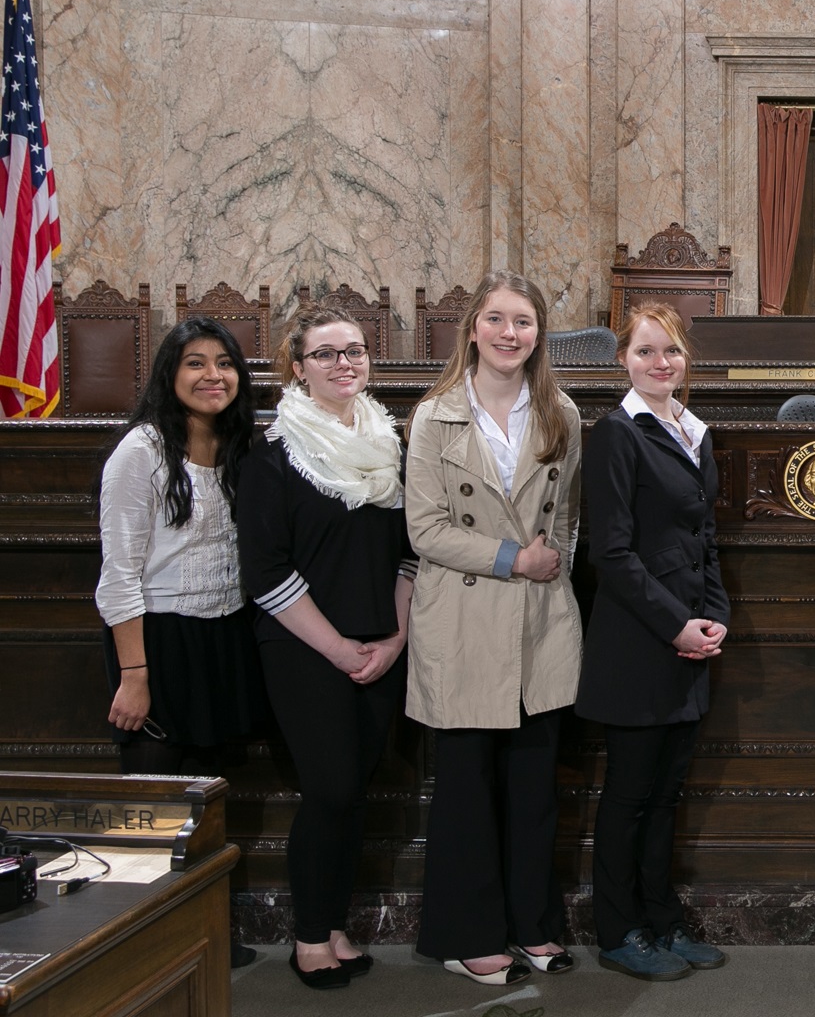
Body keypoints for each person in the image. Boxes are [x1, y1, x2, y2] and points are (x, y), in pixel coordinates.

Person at [405, 271, 584, 986]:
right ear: (472, 328)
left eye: (524, 323)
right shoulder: (434, 416)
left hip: (539, 621)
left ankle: (531, 925)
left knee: (533, 788)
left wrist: (555, 567)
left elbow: (565, 518)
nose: (510, 335)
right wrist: (514, 558)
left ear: (539, 334)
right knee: (466, 792)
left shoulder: (561, 413)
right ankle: (466, 933)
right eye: (498, 320)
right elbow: (424, 529)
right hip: (464, 619)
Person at [238, 306, 415, 991]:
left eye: (356, 351)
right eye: (326, 354)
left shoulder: (390, 444)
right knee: (330, 788)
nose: (345, 364)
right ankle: (309, 934)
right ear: (297, 366)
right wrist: (339, 648)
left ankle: (336, 925)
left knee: (357, 792)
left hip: (381, 643)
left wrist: (394, 637)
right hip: (305, 647)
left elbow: (409, 555)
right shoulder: (274, 456)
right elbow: (267, 572)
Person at [95, 317, 266, 968]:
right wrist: (134, 674)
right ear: (171, 374)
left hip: (220, 640)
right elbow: (118, 574)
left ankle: (201, 937)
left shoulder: (241, 448)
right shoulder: (141, 451)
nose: (211, 375)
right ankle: (147, 951)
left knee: (205, 806)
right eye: (195, 363)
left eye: (224, 363)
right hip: (154, 644)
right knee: (154, 810)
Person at [577, 303, 730, 981]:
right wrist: (675, 625)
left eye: (669, 351)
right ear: (623, 361)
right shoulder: (616, 435)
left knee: (666, 797)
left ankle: (662, 923)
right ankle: (618, 929)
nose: (659, 363)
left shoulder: (693, 431)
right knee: (630, 796)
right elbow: (610, 554)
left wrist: (716, 615)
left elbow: (704, 540)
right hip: (640, 644)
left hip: (692, 643)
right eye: (644, 352)